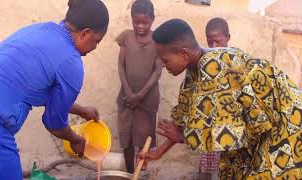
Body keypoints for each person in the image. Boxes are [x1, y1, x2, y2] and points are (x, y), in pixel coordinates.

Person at [140, 19, 302, 179]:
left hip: (286, 120)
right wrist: (158, 152)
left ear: (184, 54)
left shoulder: (215, 66)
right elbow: (182, 116)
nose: (162, 65)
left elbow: (227, 133)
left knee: (266, 173)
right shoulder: (193, 70)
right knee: (234, 171)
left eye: (165, 60)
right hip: (262, 129)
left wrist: (182, 138)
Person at [0, 0, 109, 179]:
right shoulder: (71, 63)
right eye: (96, 41)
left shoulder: (42, 30)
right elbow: (54, 123)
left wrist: (81, 111)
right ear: (85, 33)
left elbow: (38, 88)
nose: (95, 47)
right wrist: (76, 140)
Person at [116, 0, 163, 173]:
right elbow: (121, 66)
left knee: (144, 139)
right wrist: (129, 92)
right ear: (131, 19)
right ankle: (129, 173)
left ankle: (140, 173)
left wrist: (140, 95)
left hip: (147, 99)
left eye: (145, 22)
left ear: (152, 20)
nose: (140, 26)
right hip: (126, 98)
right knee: (127, 139)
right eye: (136, 22)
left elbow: (157, 71)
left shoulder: (158, 41)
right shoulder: (126, 37)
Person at [197, 17, 230, 180]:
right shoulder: (205, 63)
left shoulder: (235, 63)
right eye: (210, 42)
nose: (213, 47)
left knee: (227, 168)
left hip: (230, 128)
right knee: (206, 169)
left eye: (217, 41)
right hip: (210, 126)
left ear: (228, 38)